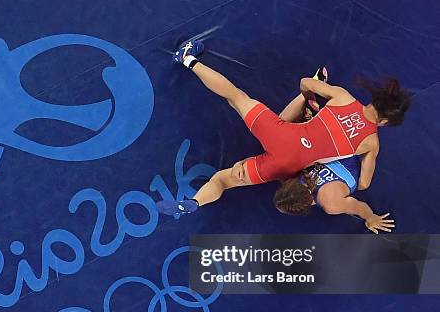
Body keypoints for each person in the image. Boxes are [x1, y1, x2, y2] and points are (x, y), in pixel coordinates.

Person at [156, 40, 410, 221]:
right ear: (386, 122)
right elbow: (364, 183)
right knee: (222, 180)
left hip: (282, 135)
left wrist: (311, 95)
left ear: (374, 100)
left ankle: (187, 59)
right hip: (289, 164)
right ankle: (195, 202)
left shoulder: (344, 97)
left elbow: (304, 83)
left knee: (236, 96)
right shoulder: (371, 143)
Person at [274, 156, 394, 233]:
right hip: (338, 152)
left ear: (303, 207)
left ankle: (371, 151)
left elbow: (359, 206)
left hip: (353, 161)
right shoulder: (295, 176)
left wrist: (370, 217)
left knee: (363, 185)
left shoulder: (331, 205)